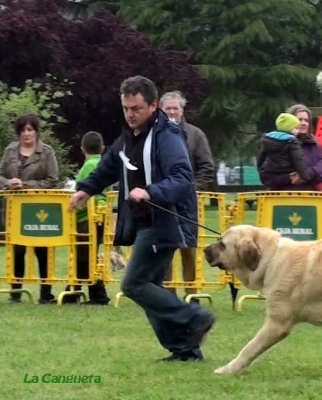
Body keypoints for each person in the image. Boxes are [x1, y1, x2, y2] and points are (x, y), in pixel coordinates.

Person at [69, 75, 215, 361]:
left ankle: (194, 317)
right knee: (151, 288)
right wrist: (86, 189)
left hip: (165, 221)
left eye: (135, 108)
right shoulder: (128, 138)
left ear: (153, 105)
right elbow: (109, 166)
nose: (130, 114)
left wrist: (150, 192)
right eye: (125, 108)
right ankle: (185, 349)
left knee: (133, 284)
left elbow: (183, 178)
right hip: (143, 223)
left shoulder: (167, 136)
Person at [159, 91, 216, 303]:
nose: (172, 112)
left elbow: (207, 166)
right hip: (162, 199)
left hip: (187, 201)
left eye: (176, 108)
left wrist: (193, 188)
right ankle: (168, 293)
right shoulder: (153, 134)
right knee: (165, 248)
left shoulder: (195, 135)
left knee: (188, 248)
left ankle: (192, 292)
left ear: (182, 110)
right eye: (168, 109)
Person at [0, 114, 59, 304]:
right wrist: (9, 182)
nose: (26, 134)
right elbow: (0, 175)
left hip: (39, 208)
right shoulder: (10, 150)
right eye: (23, 130)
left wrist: (25, 184)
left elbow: (52, 180)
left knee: (42, 251)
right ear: (18, 133)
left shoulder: (47, 152)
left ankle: (46, 294)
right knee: (18, 250)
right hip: (14, 208)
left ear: (36, 131)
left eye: (30, 130)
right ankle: (15, 293)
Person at [62, 131, 111, 305]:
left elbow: (91, 193)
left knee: (85, 255)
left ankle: (92, 294)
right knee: (85, 255)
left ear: (82, 149)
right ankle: (77, 291)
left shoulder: (90, 165)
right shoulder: (104, 163)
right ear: (103, 148)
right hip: (97, 216)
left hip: (88, 218)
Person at [258, 104, 322, 191]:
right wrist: (289, 178)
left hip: (310, 197)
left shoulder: (315, 146)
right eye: (299, 120)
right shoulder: (275, 144)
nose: (303, 123)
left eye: (306, 120)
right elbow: (266, 176)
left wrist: (306, 175)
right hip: (281, 197)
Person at [257, 112, 313, 188]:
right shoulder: (292, 141)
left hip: (271, 171)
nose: (298, 131)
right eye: (296, 128)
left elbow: (261, 156)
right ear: (290, 129)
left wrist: (259, 168)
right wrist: (305, 176)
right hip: (288, 171)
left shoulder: (268, 139)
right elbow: (298, 160)